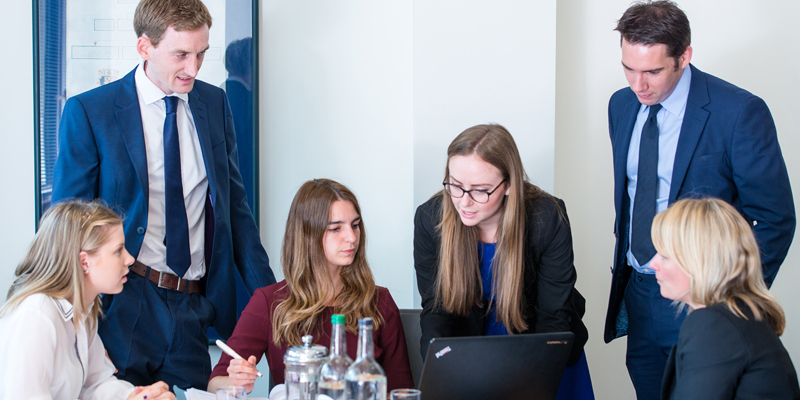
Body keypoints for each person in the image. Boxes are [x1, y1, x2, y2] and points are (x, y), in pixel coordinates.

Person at [51, 0, 276, 390]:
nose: (193, 68)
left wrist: (273, 304)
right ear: (145, 48)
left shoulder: (214, 103)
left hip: (191, 306)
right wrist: (75, 325)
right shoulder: (91, 112)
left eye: (202, 54)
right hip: (121, 306)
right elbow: (68, 231)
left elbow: (235, 213)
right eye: (181, 55)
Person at [603, 2, 795, 398]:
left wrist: (727, 291)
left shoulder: (739, 112)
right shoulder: (621, 105)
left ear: (684, 56)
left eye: (652, 71)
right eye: (628, 68)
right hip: (640, 289)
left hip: (706, 297)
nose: (638, 84)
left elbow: (774, 218)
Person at [414, 124, 593, 399]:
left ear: (509, 184)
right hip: (468, 351)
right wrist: (443, 373)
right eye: (456, 186)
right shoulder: (430, 219)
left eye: (480, 190)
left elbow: (553, 317)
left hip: (542, 347)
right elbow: (437, 312)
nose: (464, 202)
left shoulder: (547, 217)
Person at [207, 179, 414, 393]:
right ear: (307, 235)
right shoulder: (269, 302)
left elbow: (402, 392)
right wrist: (236, 381)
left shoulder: (379, 302)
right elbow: (214, 384)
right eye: (336, 229)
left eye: (355, 225)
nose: (352, 238)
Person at [0, 201, 175, 400]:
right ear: (84, 262)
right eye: (118, 250)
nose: (130, 259)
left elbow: (97, 383)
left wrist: (133, 397)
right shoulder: (37, 315)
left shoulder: (83, 311)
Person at [650, 198, 800, 399]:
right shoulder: (740, 314)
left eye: (664, 256)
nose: (652, 264)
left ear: (700, 261)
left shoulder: (713, 326)